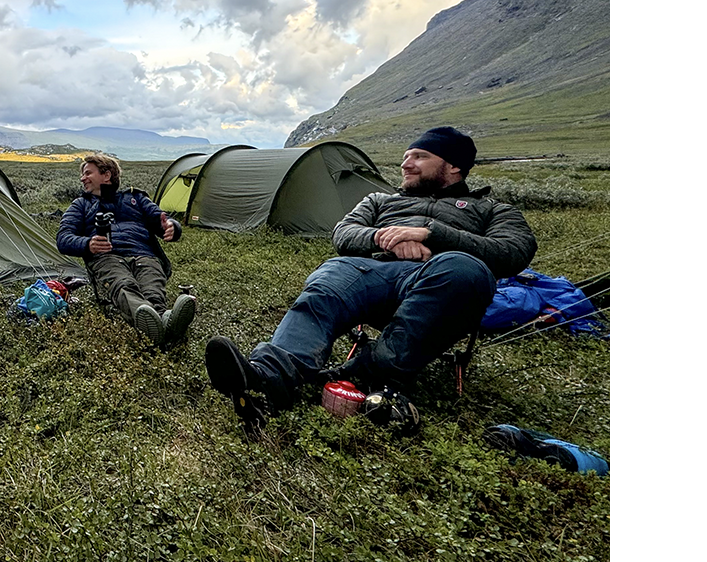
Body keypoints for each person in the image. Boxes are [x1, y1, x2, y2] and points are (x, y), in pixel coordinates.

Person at [205, 126, 536, 428]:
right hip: (370, 273)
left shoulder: (492, 210)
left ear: (454, 166)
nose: (406, 164)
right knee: (331, 276)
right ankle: (269, 374)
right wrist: (385, 238)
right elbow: (344, 233)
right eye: (406, 157)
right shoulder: (380, 200)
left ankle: (364, 374)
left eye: (420, 157)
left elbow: (515, 250)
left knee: (466, 270)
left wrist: (430, 234)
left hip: (437, 282)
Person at [55, 152, 196, 346]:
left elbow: (161, 220)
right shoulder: (80, 205)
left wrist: (173, 226)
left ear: (106, 175)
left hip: (144, 255)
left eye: (88, 173)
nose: (82, 178)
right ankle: (165, 325)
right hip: (106, 257)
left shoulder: (135, 198)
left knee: (153, 290)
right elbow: (63, 239)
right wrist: (88, 244)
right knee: (123, 285)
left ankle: (158, 324)